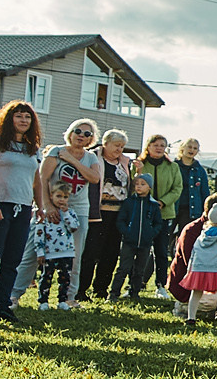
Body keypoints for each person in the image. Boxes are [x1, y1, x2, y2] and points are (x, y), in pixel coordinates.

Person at [10, 119, 104, 311]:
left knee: (75, 255)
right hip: (51, 207)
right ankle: (13, 294)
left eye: (87, 134)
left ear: (91, 139)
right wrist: (46, 207)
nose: (81, 135)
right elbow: (42, 179)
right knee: (33, 252)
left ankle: (69, 297)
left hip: (78, 210)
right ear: (70, 132)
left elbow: (94, 178)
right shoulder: (56, 152)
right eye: (78, 131)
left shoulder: (91, 158)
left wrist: (71, 160)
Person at [0, 100, 43, 325]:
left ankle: (2, 306)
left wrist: (39, 206)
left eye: (27, 117)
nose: (23, 120)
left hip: (22, 209)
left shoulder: (32, 147)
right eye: (19, 116)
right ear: (8, 118)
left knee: (12, 261)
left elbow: (36, 181)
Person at [119, 133, 182, 300]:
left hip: (164, 213)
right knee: (138, 251)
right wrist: (138, 171)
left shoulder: (172, 167)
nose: (159, 148)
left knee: (161, 251)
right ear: (148, 147)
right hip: (141, 214)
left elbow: (177, 188)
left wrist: (162, 202)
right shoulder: (140, 164)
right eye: (156, 145)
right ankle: (132, 287)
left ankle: (161, 286)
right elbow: (133, 186)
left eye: (162, 145)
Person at [80, 131, 134, 302]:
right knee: (91, 252)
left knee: (110, 254)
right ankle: (81, 290)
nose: (119, 149)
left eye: (122, 146)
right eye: (116, 145)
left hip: (117, 214)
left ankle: (101, 289)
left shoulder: (125, 162)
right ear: (105, 143)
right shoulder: (94, 158)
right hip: (97, 213)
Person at [172, 199, 217, 324]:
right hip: (214, 268)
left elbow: (194, 252)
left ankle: (191, 318)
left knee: (196, 293)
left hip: (198, 269)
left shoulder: (203, 234)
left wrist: (190, 270)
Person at [29, 179, 84, 308]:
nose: (62, 200)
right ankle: (43, 301)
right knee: (46, 278)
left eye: (65, 197)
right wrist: (40, 252)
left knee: (65, 278)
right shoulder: (45, 215)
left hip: (67, 252)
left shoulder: (70, 212)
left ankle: (62, 301)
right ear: (51, 196)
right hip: (49, 252)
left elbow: (74, 227)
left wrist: (65, 214)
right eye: (58, 196)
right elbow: (39, 234)